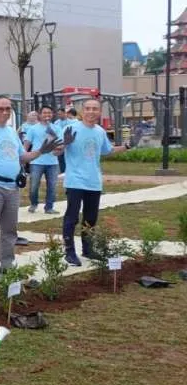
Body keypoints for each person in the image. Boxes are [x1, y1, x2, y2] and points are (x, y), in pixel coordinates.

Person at [0, 96, 59, 280]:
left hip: (12, 187)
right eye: (0, 108)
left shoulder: (11, 132)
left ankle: (6, 265)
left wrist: (41, 151)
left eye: (8, 109)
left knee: (10, 229)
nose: (4, 112)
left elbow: (23, 157)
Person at [61, 99, 127, 266]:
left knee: (91, 218)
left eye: (95, 109)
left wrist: (126, 146)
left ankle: (88, 249)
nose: (91, 111)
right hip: (75, 181)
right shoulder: (71, 128)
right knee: (72, 217)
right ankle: (69, 251)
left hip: (93, 182)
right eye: (88, 108)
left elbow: (108, 150)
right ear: (83, 111)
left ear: (99, 112)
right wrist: (63, 145)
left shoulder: (100, 131)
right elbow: (56, 151)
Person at [23, 106, 59, 214]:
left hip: (52, 162)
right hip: (36, 161)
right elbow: (26, 144)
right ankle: (34, 203)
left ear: (52, 114)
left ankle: (49, 207)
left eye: (49, 113)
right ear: (40, 114)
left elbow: (60, 143)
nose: (47, 115)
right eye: (44, 113)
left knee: (52, 186)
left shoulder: (56, 128)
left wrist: (54, 136)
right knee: (34, 185)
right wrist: (24, 158)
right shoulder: (33, 128)